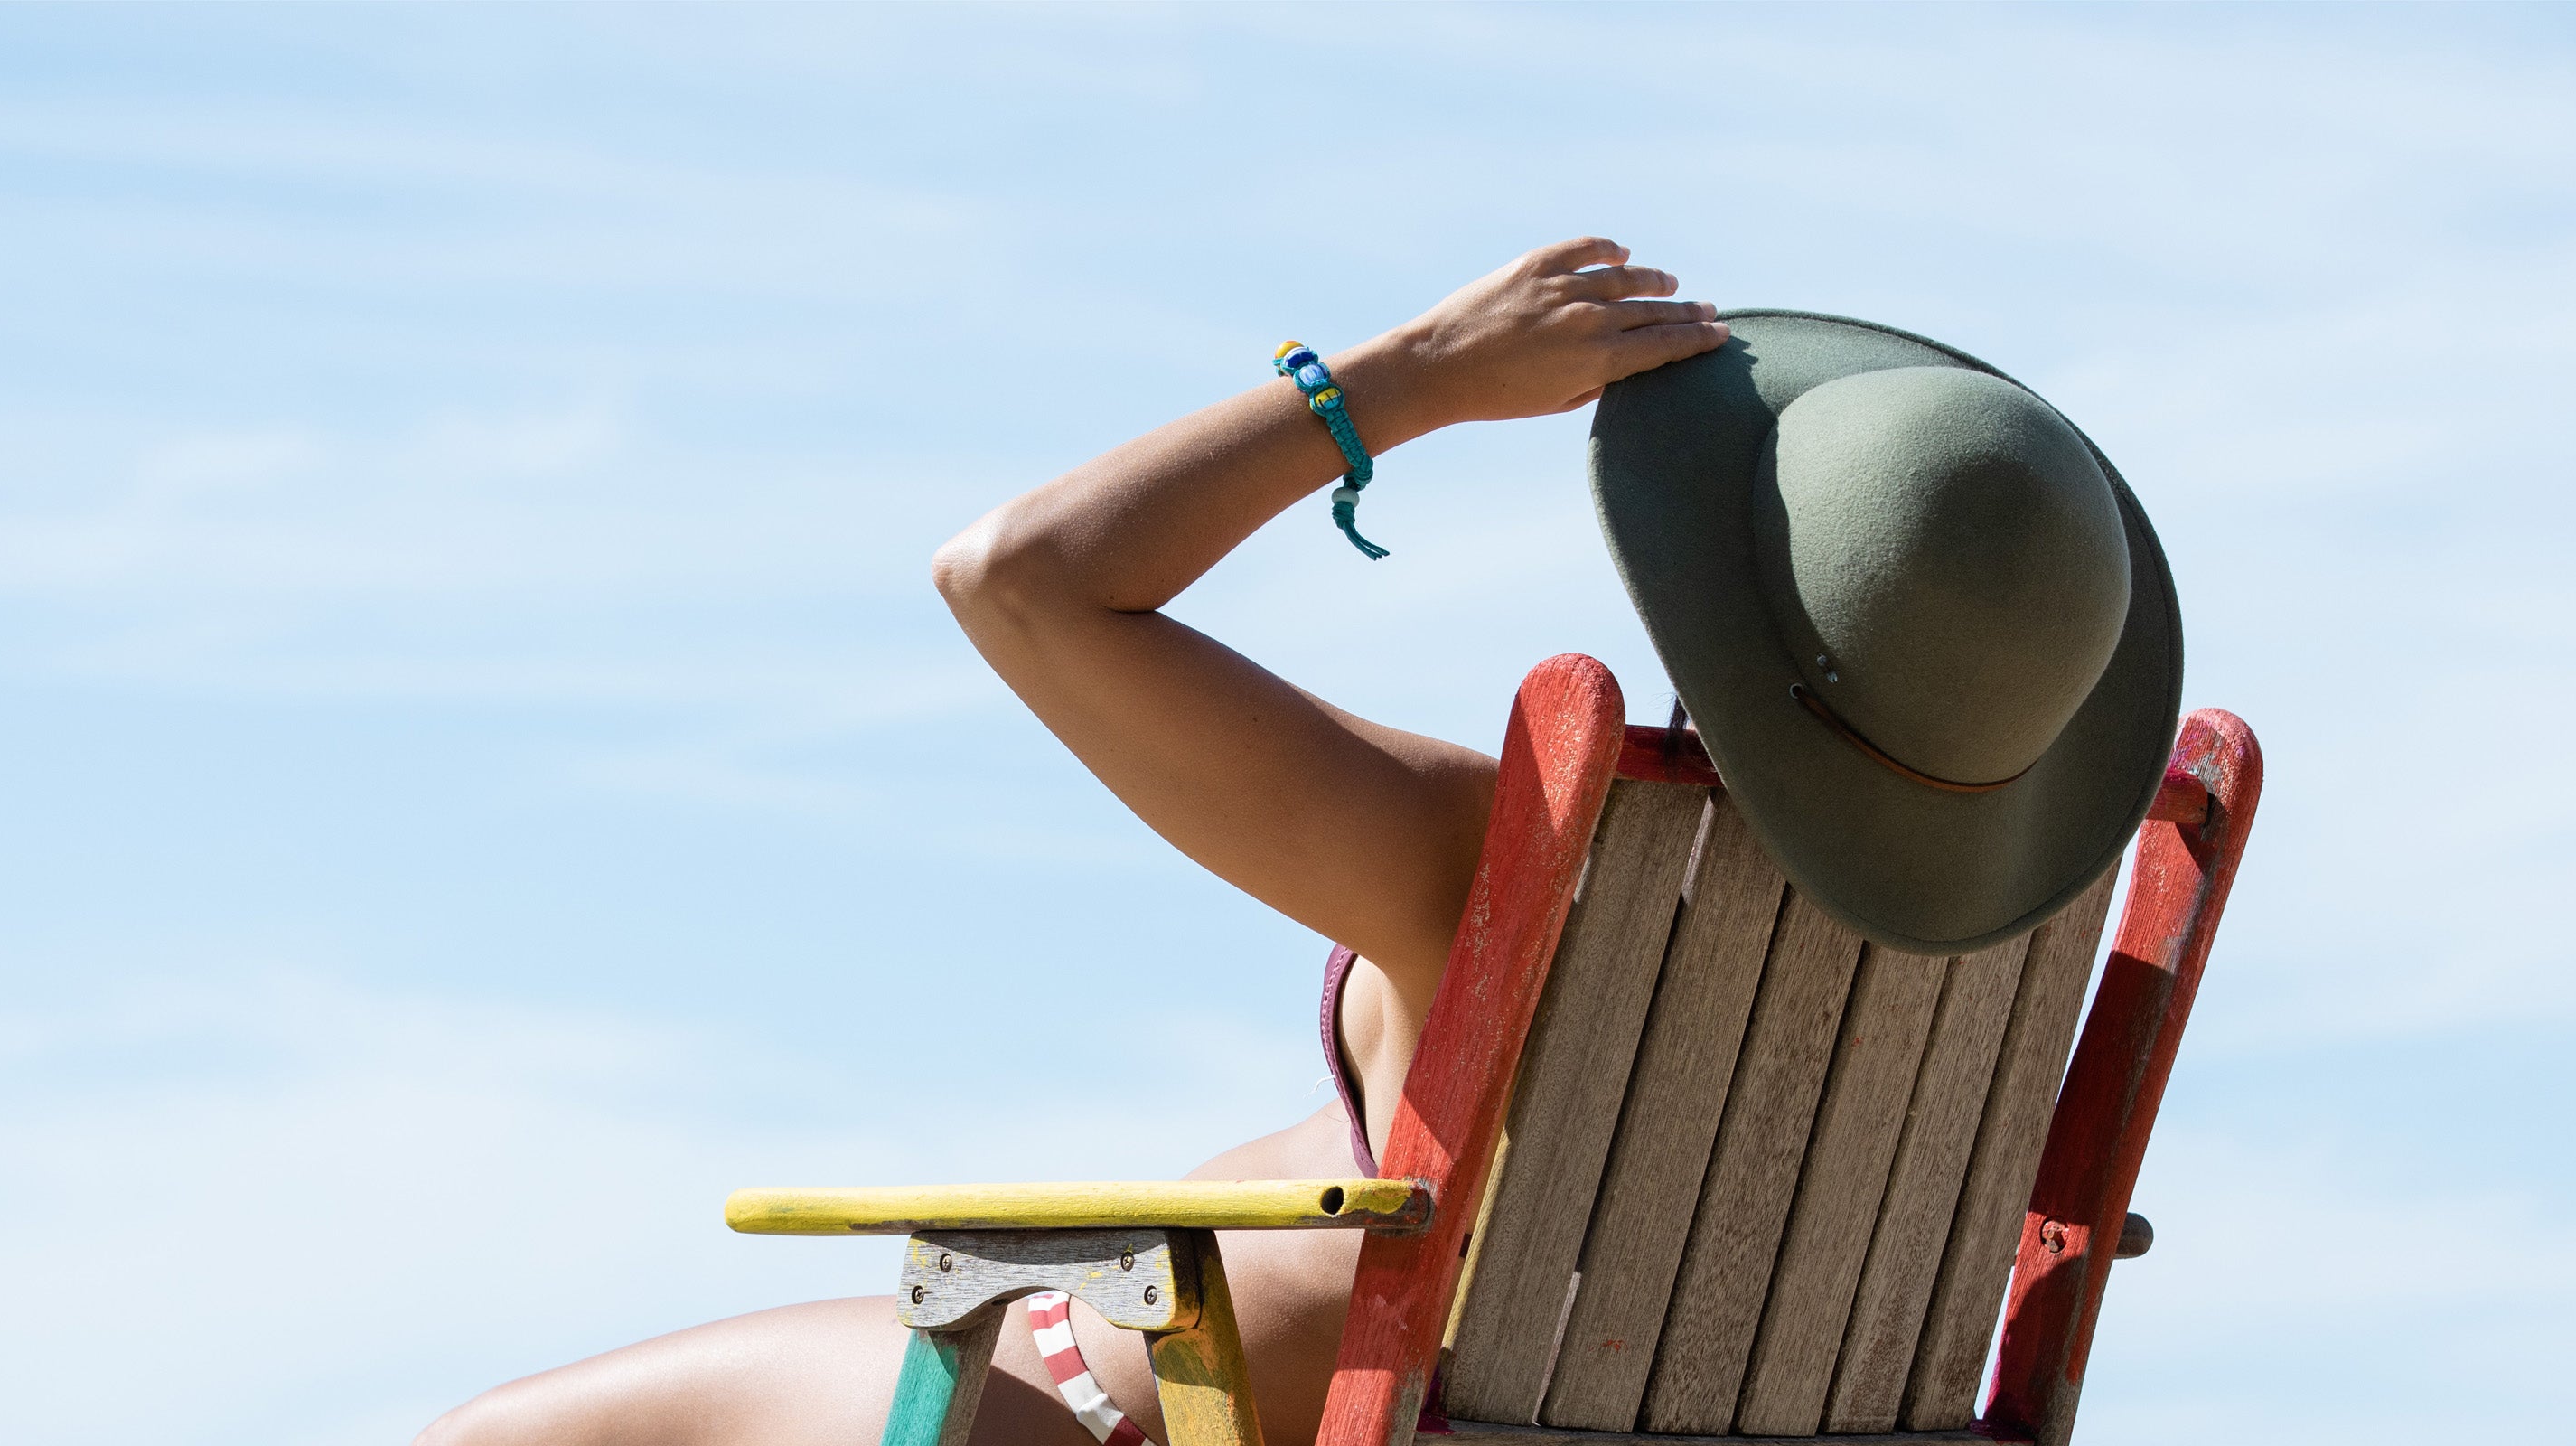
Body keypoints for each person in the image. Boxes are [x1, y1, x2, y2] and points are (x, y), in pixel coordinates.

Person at [418, 237, 1734, 1446]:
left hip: (1102, 1400)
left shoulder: (1520, 866)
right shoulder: (1932, 971)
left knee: (487, 1439)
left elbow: (1016, 577)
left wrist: (1416, 372)